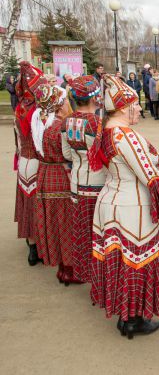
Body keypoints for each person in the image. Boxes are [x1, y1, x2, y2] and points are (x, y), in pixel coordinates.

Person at [90, 74, 159, 338]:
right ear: (123, 107)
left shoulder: (107, 131)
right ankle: (134, 319)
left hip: (110, 203)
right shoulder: (126, 136)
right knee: (137, 263)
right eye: (135, 104)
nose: (138, 109)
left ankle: (125, 315)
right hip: (131, 207)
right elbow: (152, 178)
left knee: (121, 262)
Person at [60, 75, 106, 283]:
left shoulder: (66, 122)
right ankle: (100, 277)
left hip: (76, 184)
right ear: (95, 98)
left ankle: (84, 272)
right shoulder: (97, 123)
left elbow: (67, 154)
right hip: (97, 183)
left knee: (82, 232)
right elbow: (105, 155)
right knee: (99, 233)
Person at [31, 84, 75, 283]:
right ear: (58, 105)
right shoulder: (60, 127)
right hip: (61, 177)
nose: (68, 104)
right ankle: (69, 270)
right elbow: (70, 155)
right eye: (65, 100)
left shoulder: (40, 123)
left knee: (55, 224)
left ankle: (61, 267)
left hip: (45, 174)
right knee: (66, 223)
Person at [14, 61, 47, 265]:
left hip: (24, 162)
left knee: (27, 204)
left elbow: (17, 141)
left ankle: (31, 246)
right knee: (38, 205)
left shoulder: (19, 108)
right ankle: (40, 248)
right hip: (37, 162)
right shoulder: (39, 112)